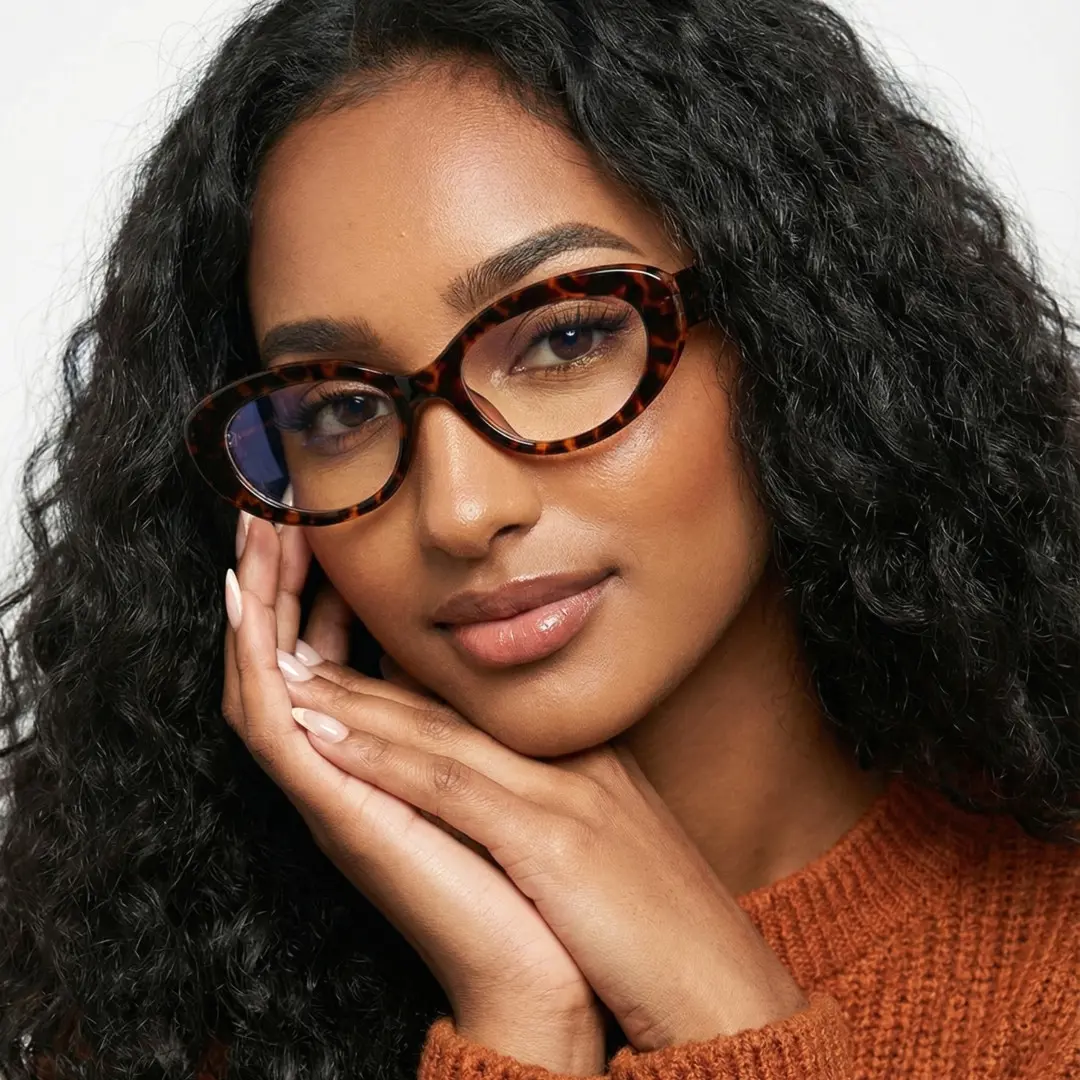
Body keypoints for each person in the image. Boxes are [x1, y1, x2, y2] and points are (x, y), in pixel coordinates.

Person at [1, 1, 1078, 1077]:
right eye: (339, 407)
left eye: (564, 337)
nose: (459, 512)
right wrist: (518, 1018)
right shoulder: (169, 1018)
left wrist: (722, 1014)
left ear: (797, 329)